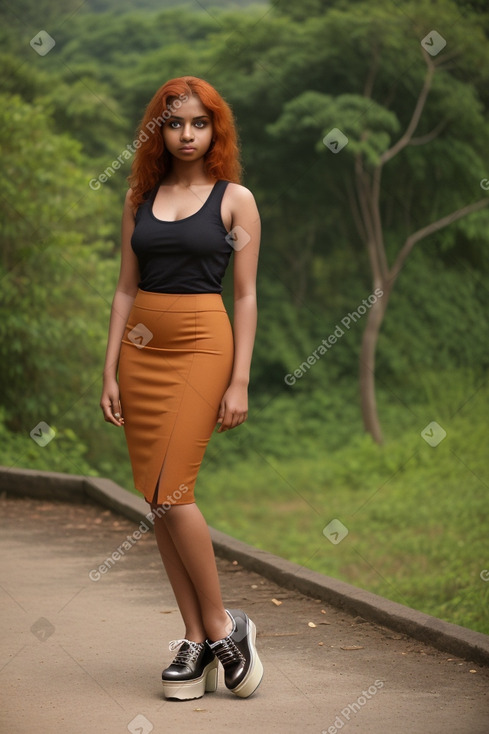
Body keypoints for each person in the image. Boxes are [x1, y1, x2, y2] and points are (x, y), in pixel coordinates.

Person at [100, 76, 262, 701]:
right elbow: (122, 287)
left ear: (215, 129)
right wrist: (110, 367)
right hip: (141, 347)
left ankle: (227, 627)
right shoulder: (139, 196)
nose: (187, 135)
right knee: (157, 498)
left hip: (202, 344)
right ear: (157, 130)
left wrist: (240, 379)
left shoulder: (235, 200)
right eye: (175, 124)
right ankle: (193, 640)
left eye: (199, 123)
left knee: (175, 488)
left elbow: (245, 294)